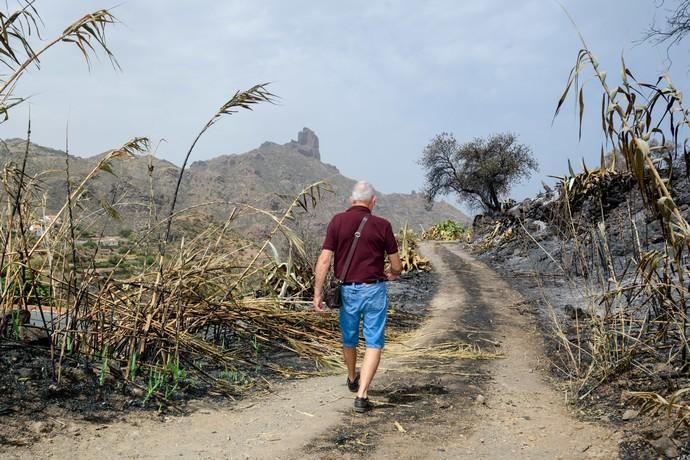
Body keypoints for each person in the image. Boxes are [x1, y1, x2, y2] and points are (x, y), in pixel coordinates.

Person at [313, 181, 402, 413]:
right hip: (374, 290)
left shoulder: (337, 221)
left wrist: (318, 292)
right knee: (374, 341)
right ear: (374, 202)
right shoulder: (383, 225)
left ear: (351, 201)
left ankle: (352, 376)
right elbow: (396, 265)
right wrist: (392, 274)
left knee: (349, 338)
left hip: (348, 292)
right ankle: (362, 395)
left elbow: (324, 260)